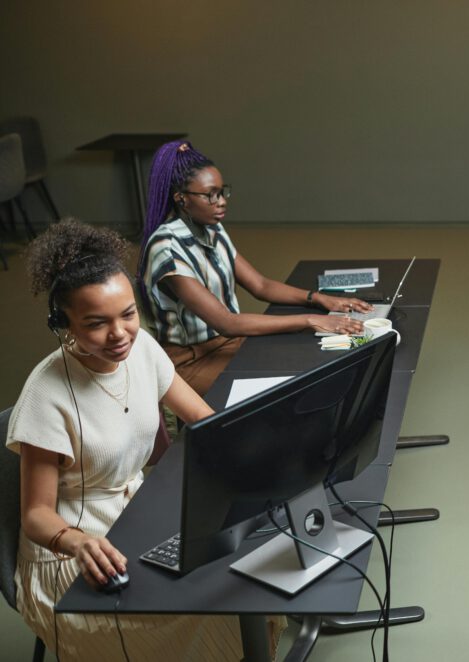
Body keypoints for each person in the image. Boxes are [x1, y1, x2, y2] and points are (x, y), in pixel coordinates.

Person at [7, 219, 284, 660]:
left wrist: (265, 448)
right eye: (97, 323)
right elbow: (36, 515)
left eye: (128, 314)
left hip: (139, 514)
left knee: (245, 577)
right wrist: (78, 542)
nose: (119, 335)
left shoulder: (143, 350)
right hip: (76, 552)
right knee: (209, 606)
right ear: (63, 324)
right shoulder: (46, 396)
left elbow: (203, 420)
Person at [138, 140, 372, 395]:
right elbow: (226, 322)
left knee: (307, 361)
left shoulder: (212, 228)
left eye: (222, 191)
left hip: (231, 344)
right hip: (190, 361)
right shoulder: (166, 247)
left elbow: (260, 285)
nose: (221, 202)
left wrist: (320, 299)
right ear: (181, 199)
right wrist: (309, 320)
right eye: (210, 195)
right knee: (287, 389)